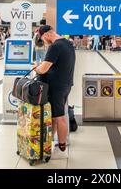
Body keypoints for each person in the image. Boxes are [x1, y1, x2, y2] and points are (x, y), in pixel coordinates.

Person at [35, 25, 76, 157]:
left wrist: (35, 68)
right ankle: (49, 140)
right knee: (54, 115)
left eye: (42, 39)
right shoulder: (68, 43)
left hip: (57, 87)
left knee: (59, 117)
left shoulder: (55, 46)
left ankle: (62, 144)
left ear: (46, 34)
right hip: (66, 84)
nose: (44, 42)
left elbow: (43, 69)